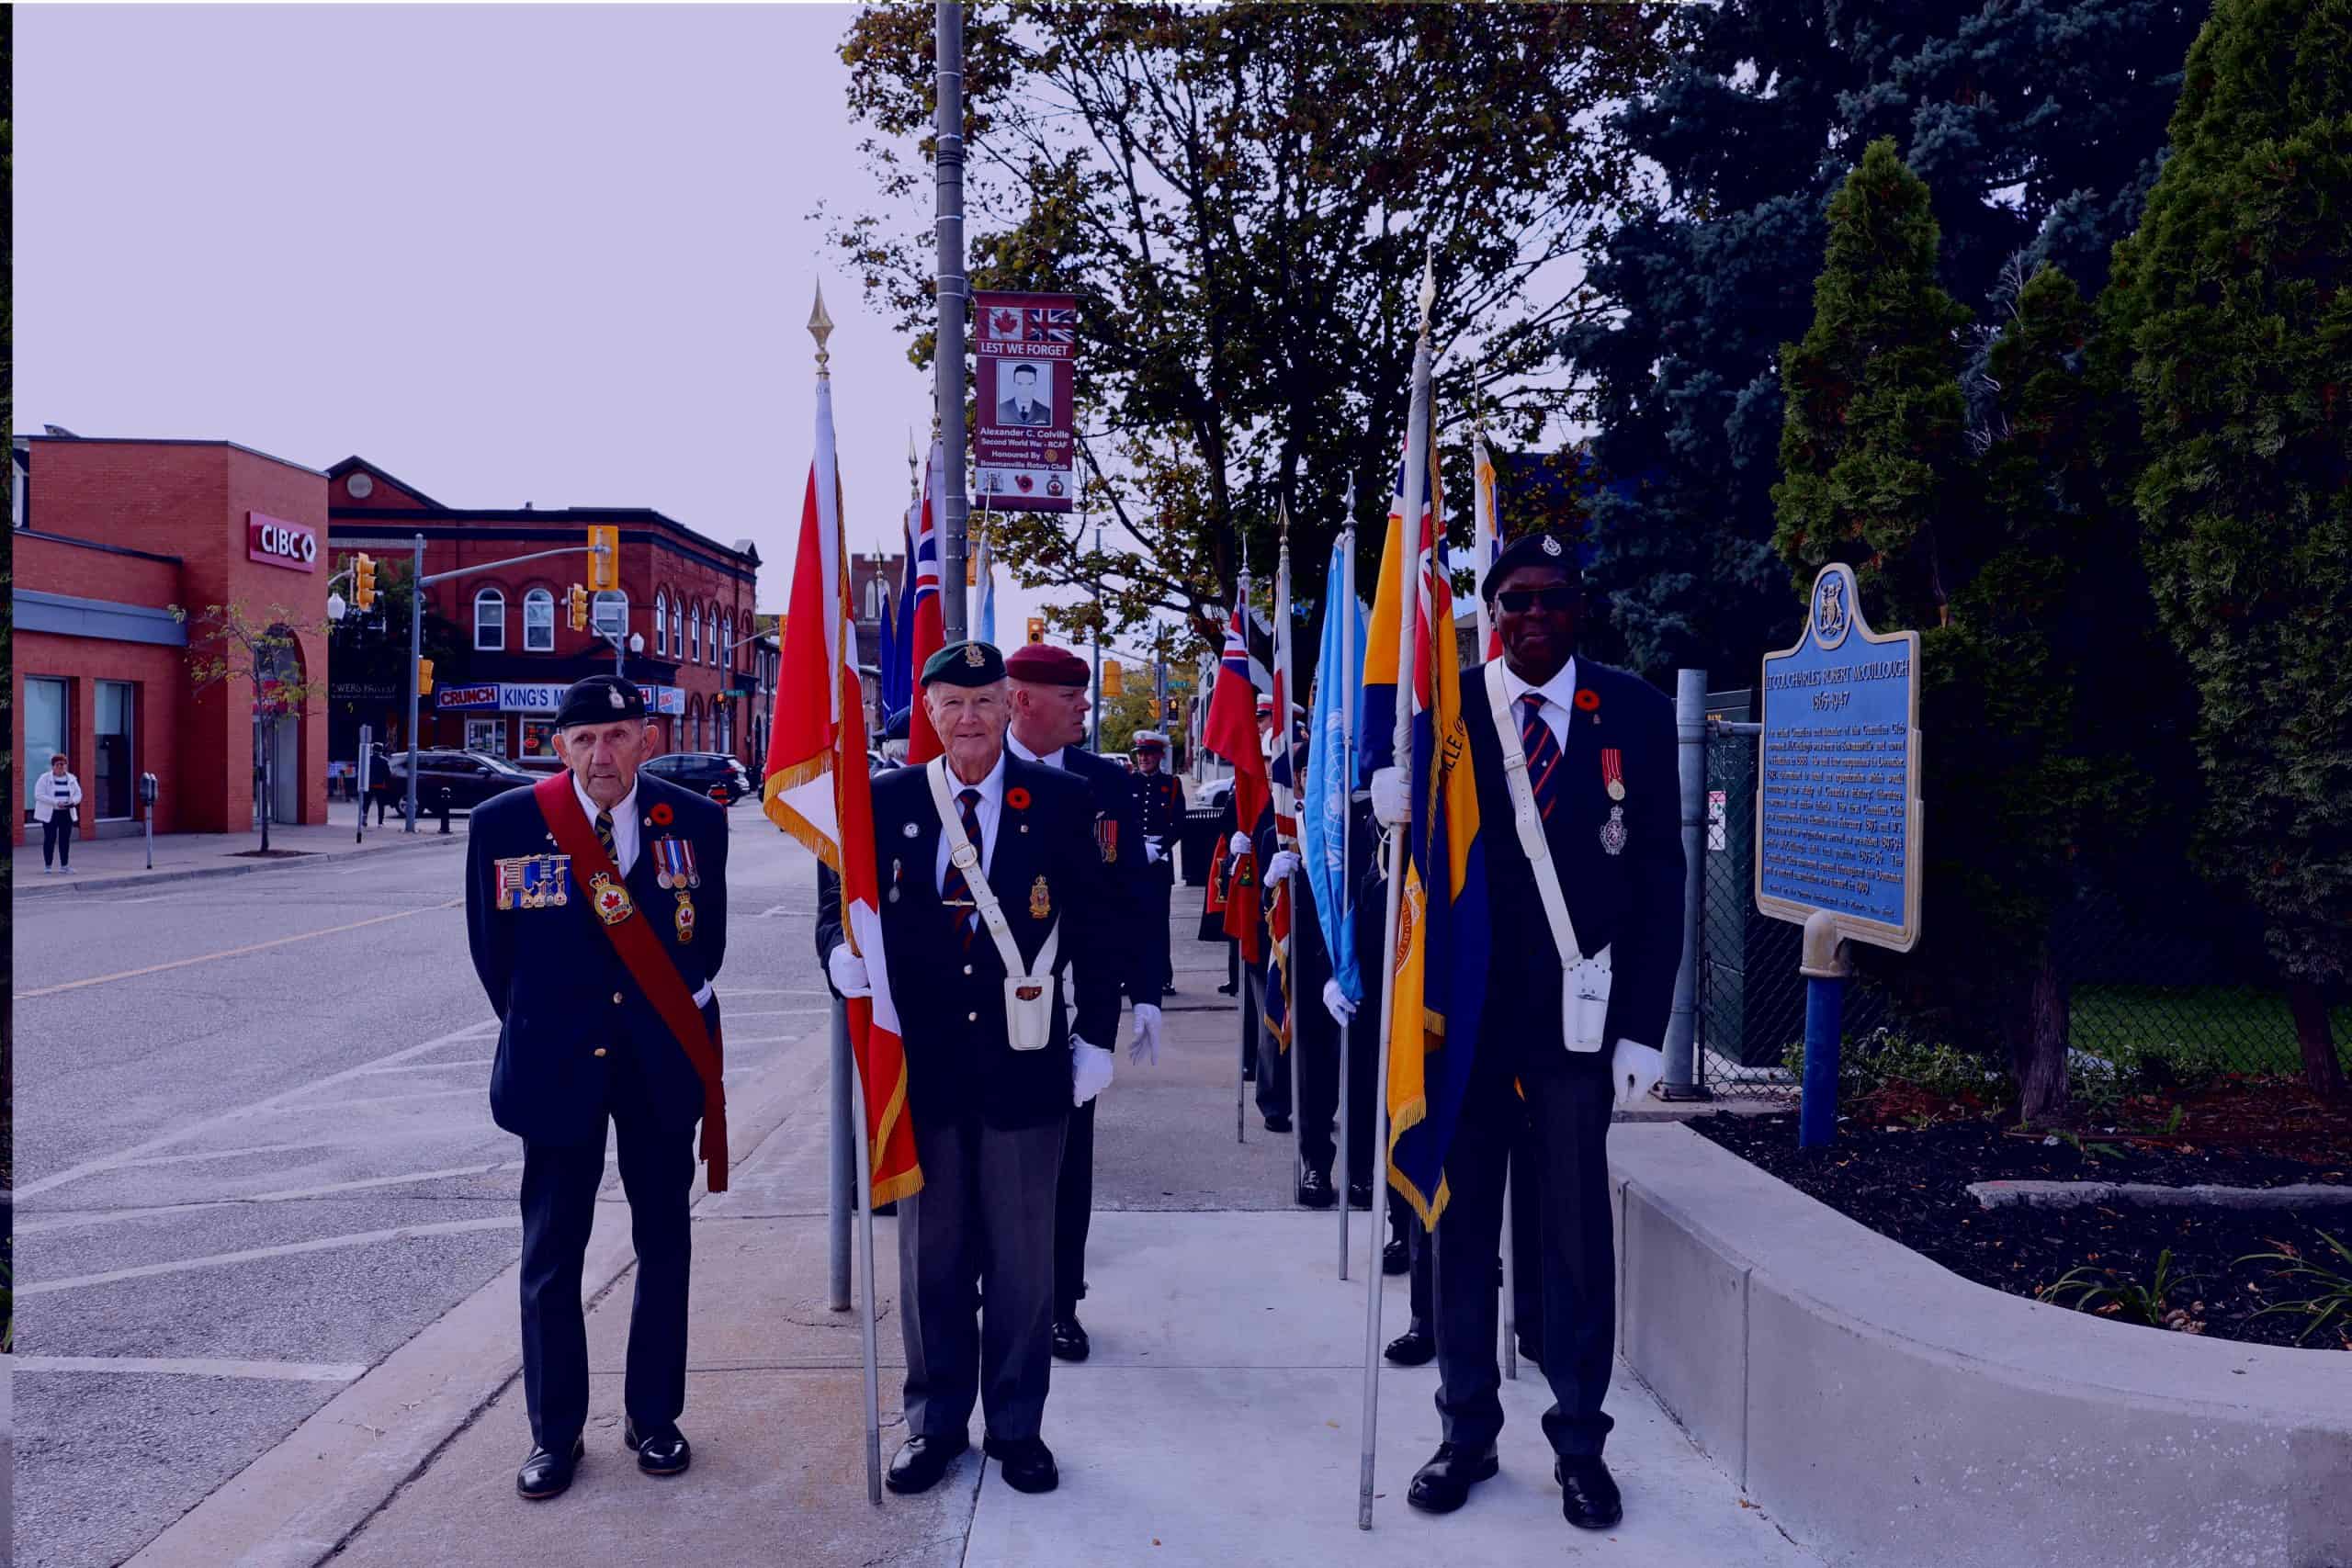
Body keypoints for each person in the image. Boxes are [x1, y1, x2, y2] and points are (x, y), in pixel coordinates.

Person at [1379, 529, 1683, 1532]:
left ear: (1579, 608)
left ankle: (1580, 1444)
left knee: (1571, 1243)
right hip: (1464, 1029)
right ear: (1489, 611)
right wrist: (1387, 821)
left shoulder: (1630, 711)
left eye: (1552, 598)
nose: (1533, 616)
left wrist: (1645, 1027)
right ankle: (1465, 1430)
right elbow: (1417, 886)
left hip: (1576, 1030)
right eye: (1514, 600)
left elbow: (1658, 881)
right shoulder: (1446, 713)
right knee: (1459, 1237)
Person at [819, 640, 1122, 1500]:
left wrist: (1095, 1032)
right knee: (933, 1261)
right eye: (950, 702)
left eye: (985, 701)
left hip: (1025, 1067)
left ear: (1010, 707)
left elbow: (1097, 927)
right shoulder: (882, 802)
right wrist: (836, 953)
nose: (968, 718)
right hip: (925, 1071)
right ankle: (936, 1422)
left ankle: (1017, 1426)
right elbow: (836, 900)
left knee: (1026, 1266)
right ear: (928, 711)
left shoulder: (1062, 802)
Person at [464, 675, 730, 1502]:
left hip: (659, 1067)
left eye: (617, 735)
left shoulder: (696, 820)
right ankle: (554, 1432)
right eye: (584, 739)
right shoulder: (503, 824)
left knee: (665, 1243)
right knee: (551, 1257)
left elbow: (704, 945)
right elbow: (494, 958)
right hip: (557, 1066)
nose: (602, 753)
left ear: (647, 739)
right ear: (558, 746)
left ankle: (654, 1417)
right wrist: (559, 1026)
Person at [1001, 642, 1164, 1365]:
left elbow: (1133, 893)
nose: (1085, 710)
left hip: (1072, 1004)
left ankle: (1061, 1302)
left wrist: (1143, 995)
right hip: (989, 1009)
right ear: (1023, 701)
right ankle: (994, 1294)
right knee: (989, 1164)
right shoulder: (977, 771)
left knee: (1069, 1162)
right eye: (1071, 699)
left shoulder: (1107, 783)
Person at [1131, 731, 1184, 994]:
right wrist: (1135, 847)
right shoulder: (1127, 783)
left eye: (1149, 753)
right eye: (1140, 754)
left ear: (1160, 756)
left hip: (1159, 863)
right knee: (1130, 920)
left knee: (1158, 923)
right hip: (1133, 861)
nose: (1144, 758)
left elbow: (1179, 824)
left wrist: (1159, 848)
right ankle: (1129, 976)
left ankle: (1163, 976)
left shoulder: (1172, 784)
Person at [34, 752, 83, 874]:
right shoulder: (44, 778)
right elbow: (39, 795)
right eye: (58, 764)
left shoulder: (71, 778)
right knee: (50, 838)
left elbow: (78, 794)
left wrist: (73, 802)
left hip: (66, 813)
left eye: (63, 764)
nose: (61, 767)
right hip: (51, 813)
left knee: (64, 839)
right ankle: (48, 866)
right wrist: (55, 802)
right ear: (53, 766)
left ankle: (64, 866)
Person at [997, 362, 1052, 426]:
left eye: (1030, 384)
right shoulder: (1000, 410)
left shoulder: (1046, 413)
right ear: (1013, 385)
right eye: (1020, 384)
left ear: (1035, 385)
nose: (1024, 389)